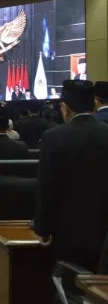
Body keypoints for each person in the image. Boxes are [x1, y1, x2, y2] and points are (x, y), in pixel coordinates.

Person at [34, 80, 108, 272]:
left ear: (65, 108)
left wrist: (43, 228)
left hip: (67, 230)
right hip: (104, 229)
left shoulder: (53, 137)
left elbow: (47, 187)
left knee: (68, 282)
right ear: (94, 105)